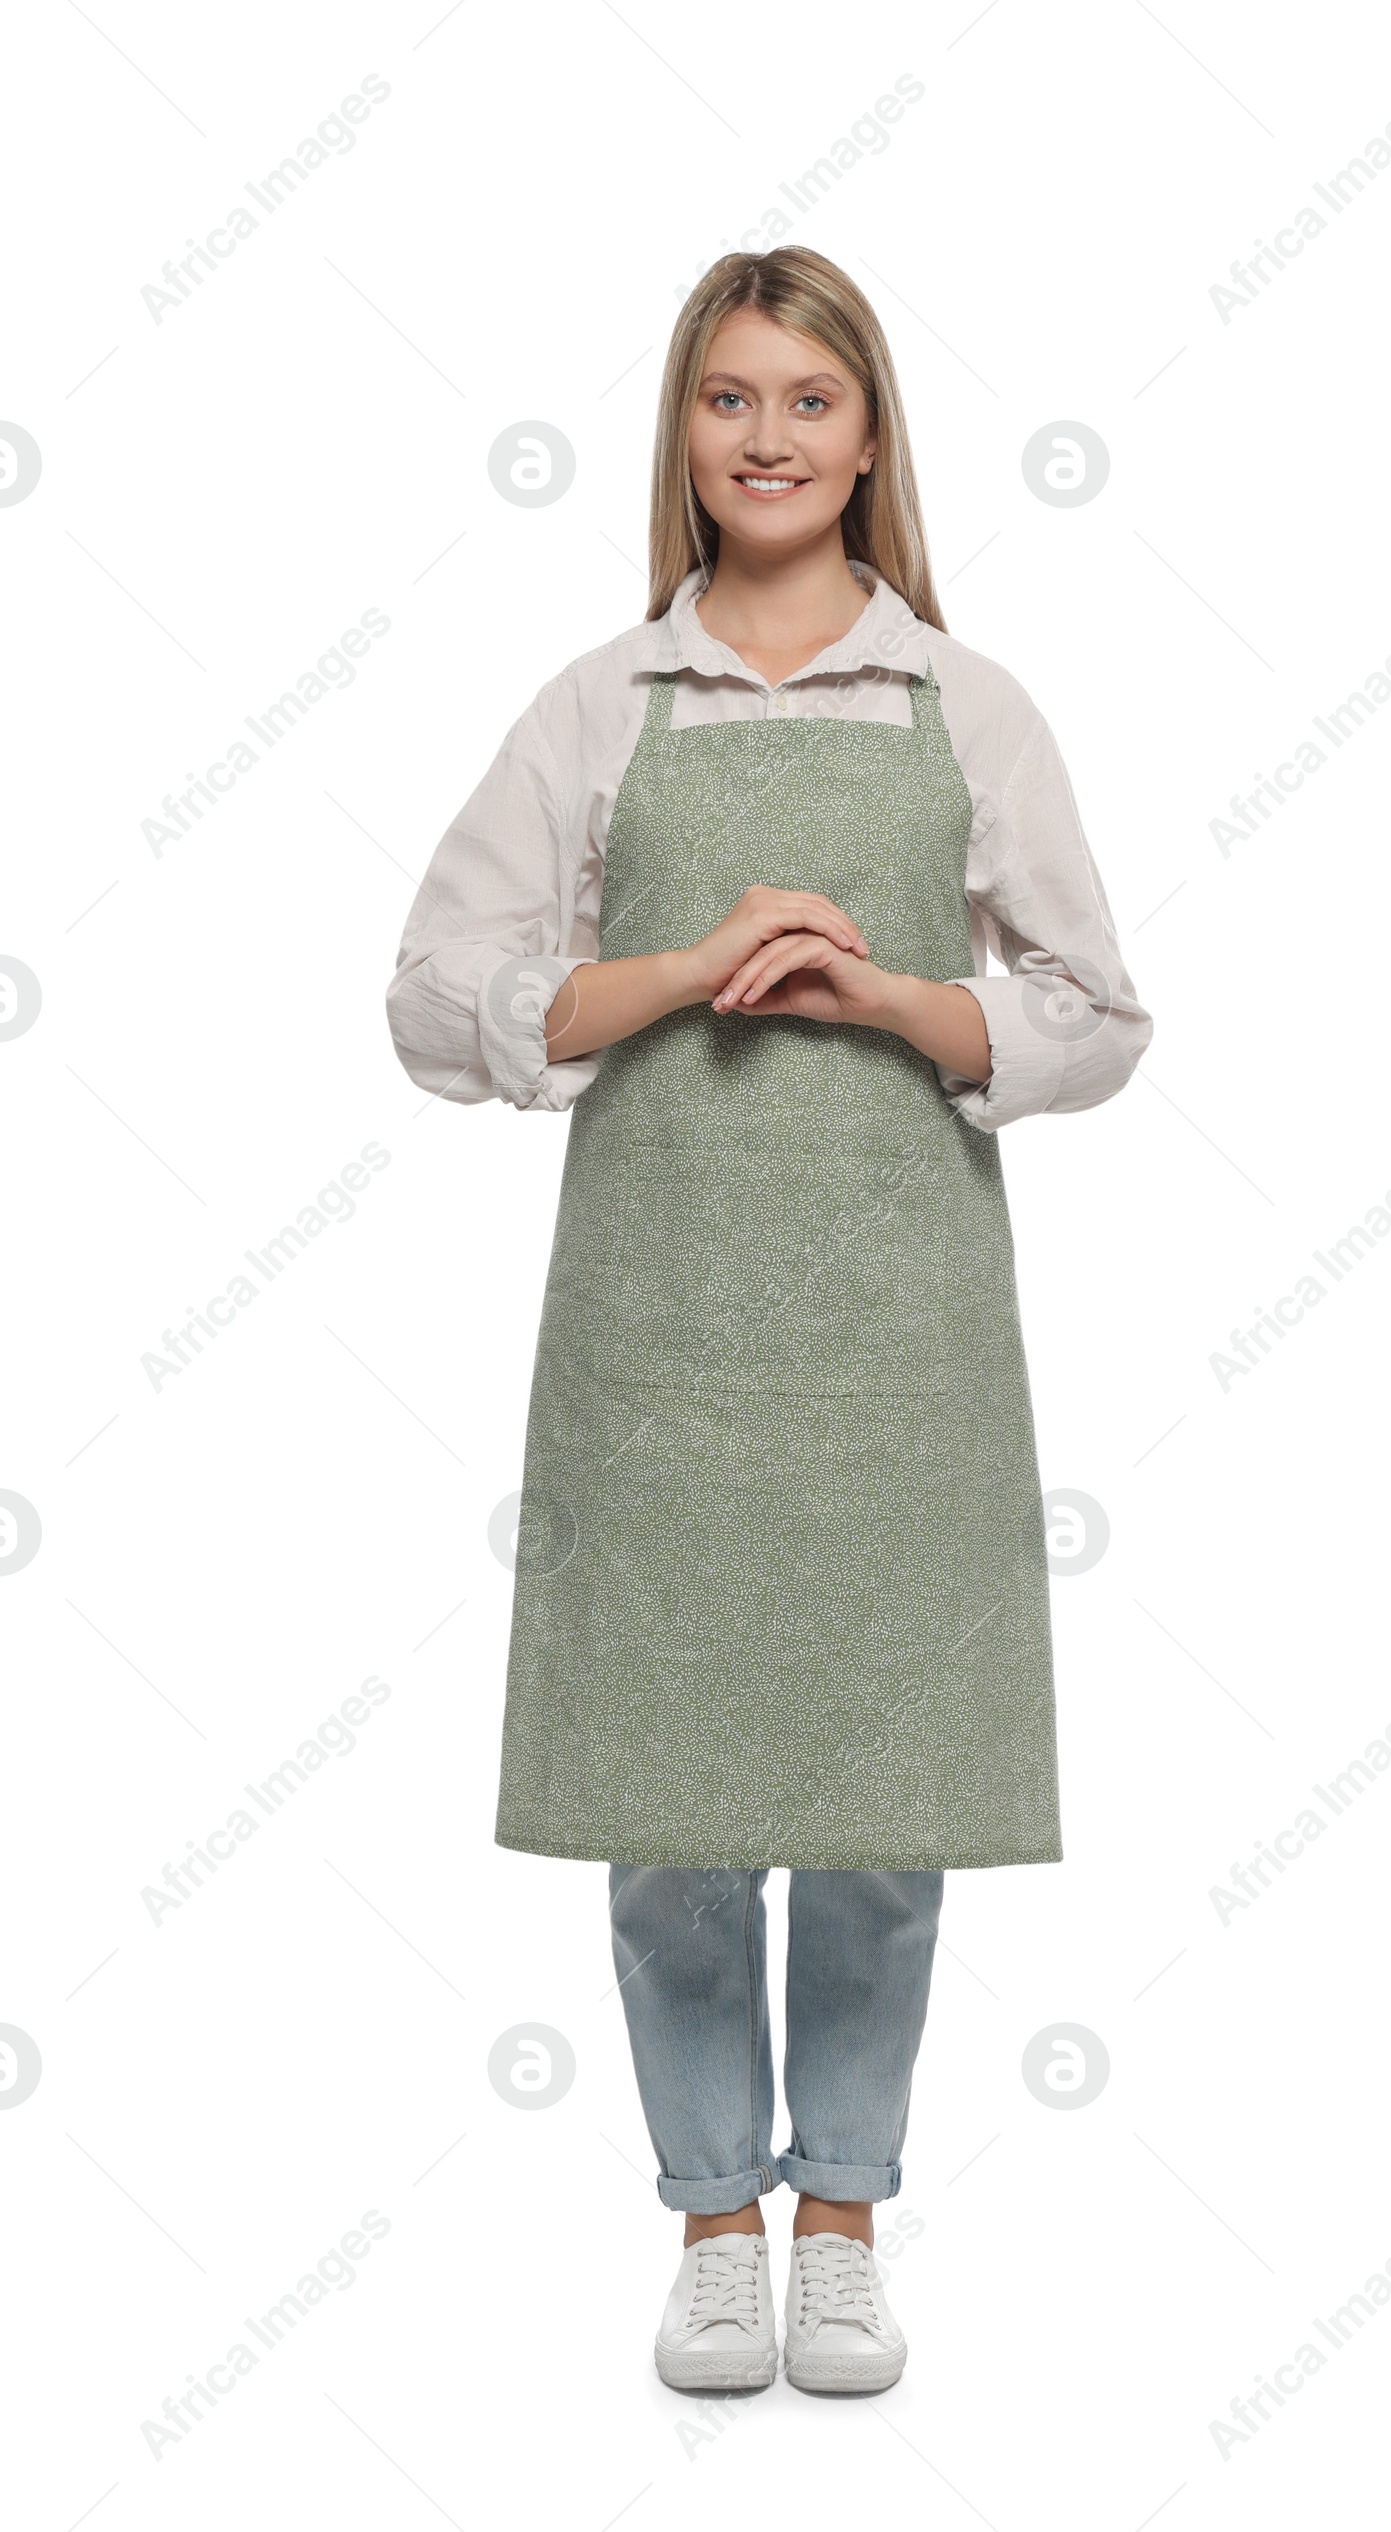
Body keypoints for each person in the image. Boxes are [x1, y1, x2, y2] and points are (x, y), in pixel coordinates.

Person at [386, 246, 1153, 2395]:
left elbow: (1098, 1013)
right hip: (660, 1313)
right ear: (682, 437)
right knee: (674, 1791)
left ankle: (845, 2220)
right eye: (726, 398)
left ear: (870, 435)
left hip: (899, 1316)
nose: (766, 435)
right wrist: (683, 962)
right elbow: (436, 997)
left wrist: (902, 999)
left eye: (805, 398)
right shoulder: (599, 705)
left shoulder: (962, 703)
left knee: (886, 1793)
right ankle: (711, 2216)